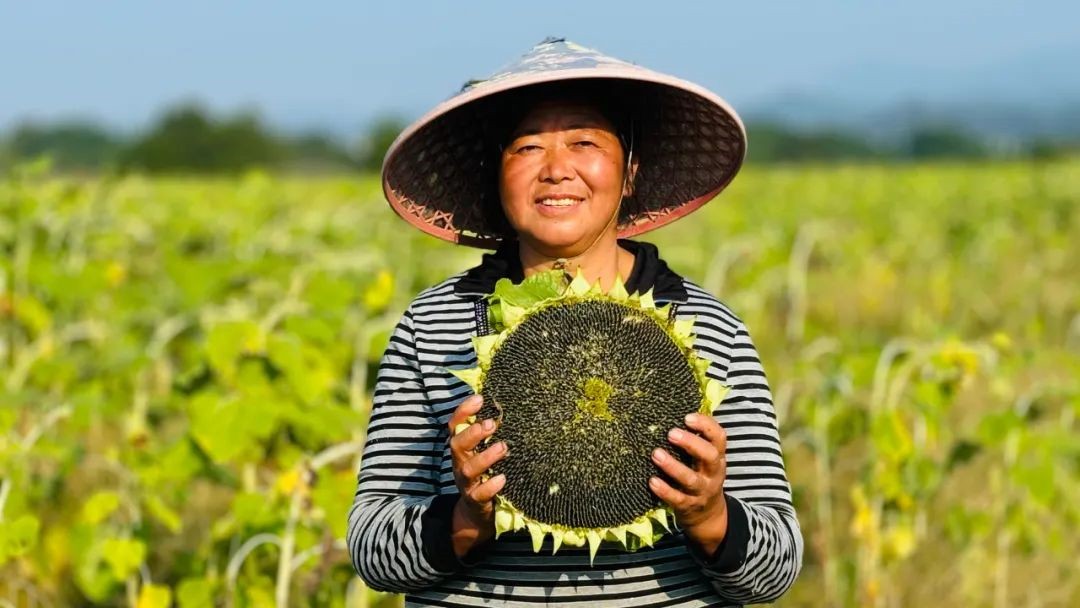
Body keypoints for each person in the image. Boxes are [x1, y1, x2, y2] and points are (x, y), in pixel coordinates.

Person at [348, 38, 803, 607]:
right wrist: (465, 518)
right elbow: (372, 549)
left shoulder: (708, 328)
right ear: (497, 176)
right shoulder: (433, 327)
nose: (557, 169)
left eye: (584, 142)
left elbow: (775, 568)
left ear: (630, 170)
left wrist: (709, 515)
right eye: (527, 147)